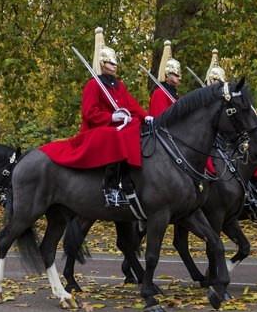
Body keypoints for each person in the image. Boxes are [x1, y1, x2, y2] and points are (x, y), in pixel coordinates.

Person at [41, 28, 149, 206]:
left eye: (115, 63)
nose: (115, 66)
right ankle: (110, 187)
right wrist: (112, 117)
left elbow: (132, 105)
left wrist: (146, 118)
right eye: (111, 63)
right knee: (113, 136)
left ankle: (131, 179)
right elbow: (89, 113)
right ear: (103, 63)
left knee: (135, 128)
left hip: (118, 126)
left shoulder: (118, 85)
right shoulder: (93, 85)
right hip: (97, 129)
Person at [148, 40, 181, 118]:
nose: (179, 77)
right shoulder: (159, 93)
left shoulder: (174, 94)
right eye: (176, 74)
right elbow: (161, 119)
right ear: (167, 75)